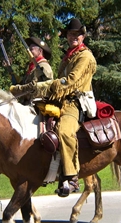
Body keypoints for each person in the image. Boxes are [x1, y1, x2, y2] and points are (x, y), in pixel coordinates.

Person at [49, 18, 97, 197]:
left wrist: (47, 86)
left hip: (75, 102)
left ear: (82, 36)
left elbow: (70, 81)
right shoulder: (69, 55)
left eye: (77, 34)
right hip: (62, 100)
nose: (73, 37)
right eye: (70, 34)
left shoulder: (85, 56)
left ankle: (71, 176)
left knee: (64, 131)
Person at [10, 36, 53, 105]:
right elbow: (25, 83)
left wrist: (17, 89)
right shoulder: (33, 67)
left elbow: (34, 86)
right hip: (27, 103)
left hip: (37, 104)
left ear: (40, 51)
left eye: (31, 49)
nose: (29, 52)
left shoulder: (43, 66)